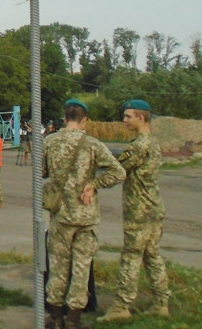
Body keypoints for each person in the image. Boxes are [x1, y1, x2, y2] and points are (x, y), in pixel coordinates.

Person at [44, 99, 125, 329]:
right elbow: (118, 172)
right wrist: (95, 184)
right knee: (81, 267)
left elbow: (40, 172)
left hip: (60, 216)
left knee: (58, 266)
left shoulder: (49, 141)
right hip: (86, 217)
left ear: (65, 118)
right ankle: (74, 319)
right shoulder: (92, 144)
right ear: (84, 120)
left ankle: (55, 316)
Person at [99, 100, 171, 322]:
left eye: (128, 116)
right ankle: (161, 302)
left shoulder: (139, 146)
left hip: (139, 212)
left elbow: (117, 166)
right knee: (152, 256)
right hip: (153, 209)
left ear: (142, 118)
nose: (124, 120)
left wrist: (94, 180)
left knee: (131, 257)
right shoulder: (152, 142)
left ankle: (122, 306)